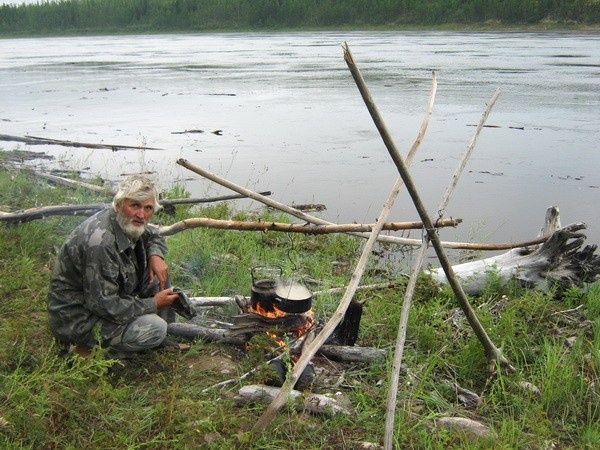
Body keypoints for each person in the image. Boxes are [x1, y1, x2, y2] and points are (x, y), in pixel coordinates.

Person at [47, 175, 182, 357]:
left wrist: (156, 255)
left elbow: (154, 234)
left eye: (148, 208)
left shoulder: (127, 221)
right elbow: (104, 305)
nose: (141, 215)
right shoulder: (101, 243)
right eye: (135, 205)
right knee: (154, 328)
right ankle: (83, 351)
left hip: (100, 302)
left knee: (159, 273)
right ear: (119, 205)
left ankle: (162, 336)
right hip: (77, 318)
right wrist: (153, 303)